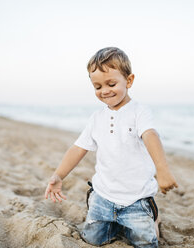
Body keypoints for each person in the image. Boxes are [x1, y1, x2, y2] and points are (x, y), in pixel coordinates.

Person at [44, 47, 178, 247]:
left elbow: (151, 135)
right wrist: (58, 175)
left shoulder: (139, 112)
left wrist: (163, 170)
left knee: (148, 242)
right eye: (97, 87)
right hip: (103, 197)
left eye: (111, 83)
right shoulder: (97, 118)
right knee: (92, 239)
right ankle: (115, 224)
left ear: (129, 81)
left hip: (137, 199)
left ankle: (153, 218)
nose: (105, 91)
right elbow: (78, 148)